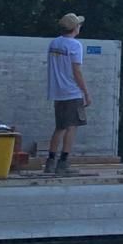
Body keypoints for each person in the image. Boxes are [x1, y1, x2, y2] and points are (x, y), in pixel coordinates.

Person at [45, 13, 91, 176]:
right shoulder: (75, 45)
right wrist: (86, 92)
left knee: (60, 128)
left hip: (57, 92)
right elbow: (76, 71)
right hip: (71, 92)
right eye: (79, 25)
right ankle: (63, 163)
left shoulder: (54, 43)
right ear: (75, 28)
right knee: (72, 127)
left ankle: (50, 162)